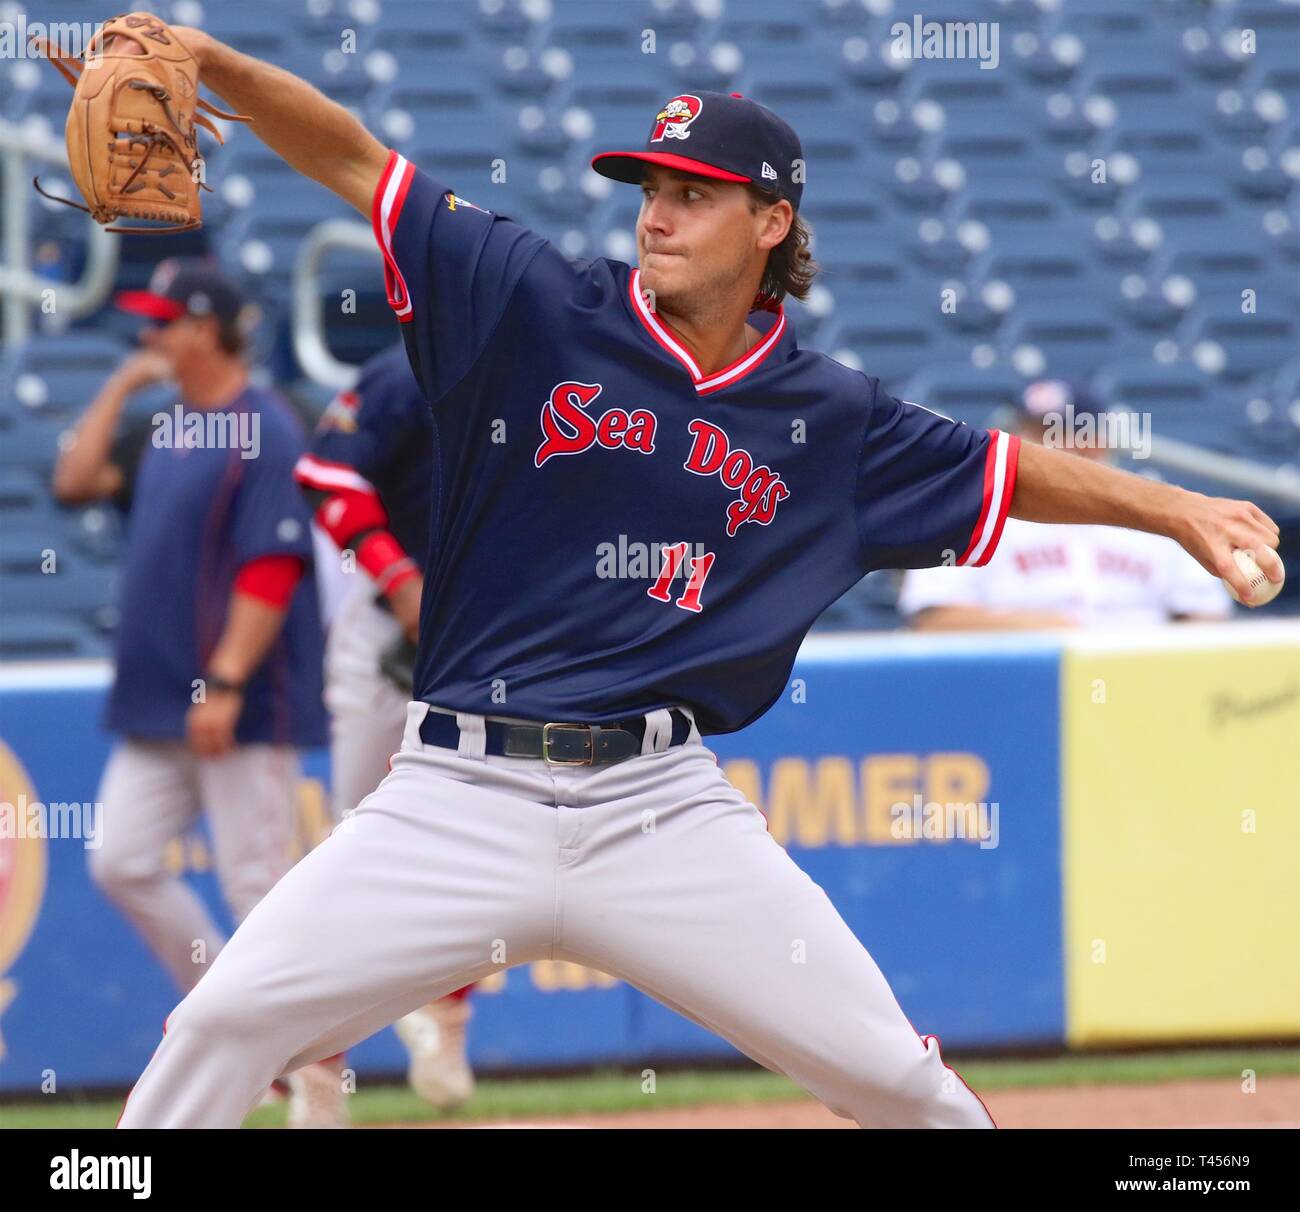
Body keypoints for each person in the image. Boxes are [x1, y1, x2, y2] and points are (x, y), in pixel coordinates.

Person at [112, 31, 1281, 1129]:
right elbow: (357, 158)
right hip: (452, 798)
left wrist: (1174, 508)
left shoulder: (830, 418)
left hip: (658, 811)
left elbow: (1002, 468)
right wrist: (213, 62)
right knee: (219, 1023)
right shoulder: (530, 301)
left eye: (693, 193)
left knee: (896, 1077)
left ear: (771, 220)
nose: (657, 216)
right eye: (650, 191)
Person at [53, 258, 341, 1128]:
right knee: (121, 859)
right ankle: (239, 1031)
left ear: (207, 330)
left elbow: (272, 560)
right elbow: (73, 481)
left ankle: (316, 1075)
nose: (149, 336)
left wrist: (225, 679)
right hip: (156, 703)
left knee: (260, 888)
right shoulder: (168, 424)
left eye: (164, 322)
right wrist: (119, 384)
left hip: (236, 704)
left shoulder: (267, 425)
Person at [294, 343, 475, 1109]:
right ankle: (320, 1067)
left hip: (485, 635)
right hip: (389, 628)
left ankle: (448, 1013)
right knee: (353, 852)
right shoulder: (406, 372)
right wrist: (399, 577)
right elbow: (327, 477)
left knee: (476, 843)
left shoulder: (549, 371)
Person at [899, 381, 1234, 630]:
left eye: (1059, 433)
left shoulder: (1157, 507)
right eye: (1033, 432)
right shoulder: (969, 509)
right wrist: (1042, 632)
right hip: (1020, 683)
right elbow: (933, 620)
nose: (1040, 447)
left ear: (1098, 443)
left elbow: (1205, 620)